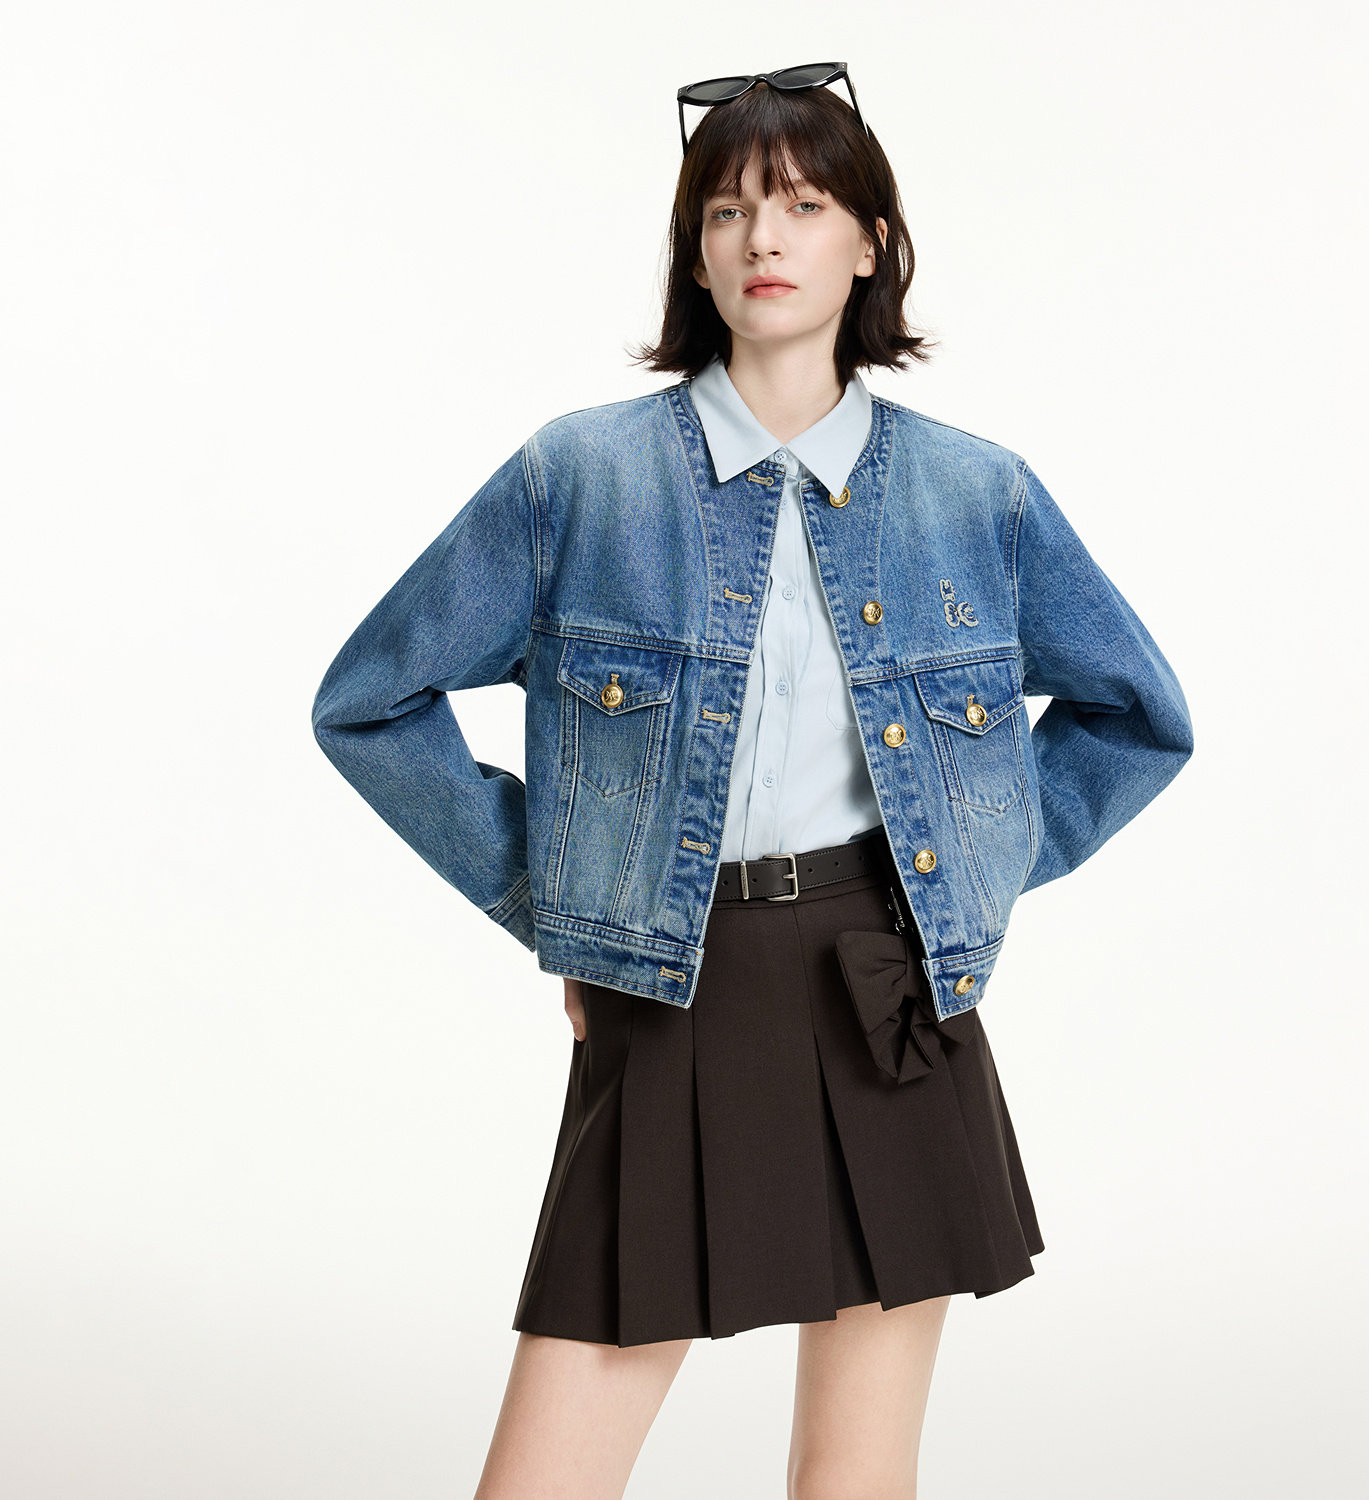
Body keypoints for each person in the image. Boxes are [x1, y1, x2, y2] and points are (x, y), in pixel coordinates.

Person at [310, 63, 1193, 1500]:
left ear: (872, 246)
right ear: (694, 252)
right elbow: (368, 703)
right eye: (725, 211)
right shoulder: (581, 477)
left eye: (801, 205)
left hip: (889, 985)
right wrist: (563, 899)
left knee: (855, 1478)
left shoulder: (977, 494)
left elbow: (1138, 716)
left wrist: (963, 872)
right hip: (671, 980)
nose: (762, 238)